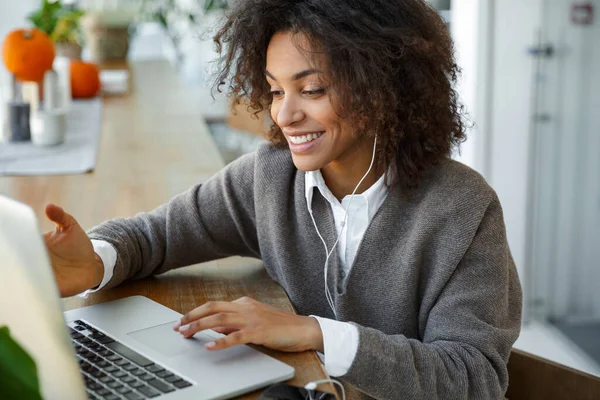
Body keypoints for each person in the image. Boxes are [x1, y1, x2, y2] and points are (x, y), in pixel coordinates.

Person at [43, 0, 522, 398]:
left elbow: (473, 378)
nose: (285, 115)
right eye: (274, 90)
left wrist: (313, 332)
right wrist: (95, 261)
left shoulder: (463, 209)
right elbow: (158, 234)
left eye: (311, 89)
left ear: (382, 86)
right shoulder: (271, 176)